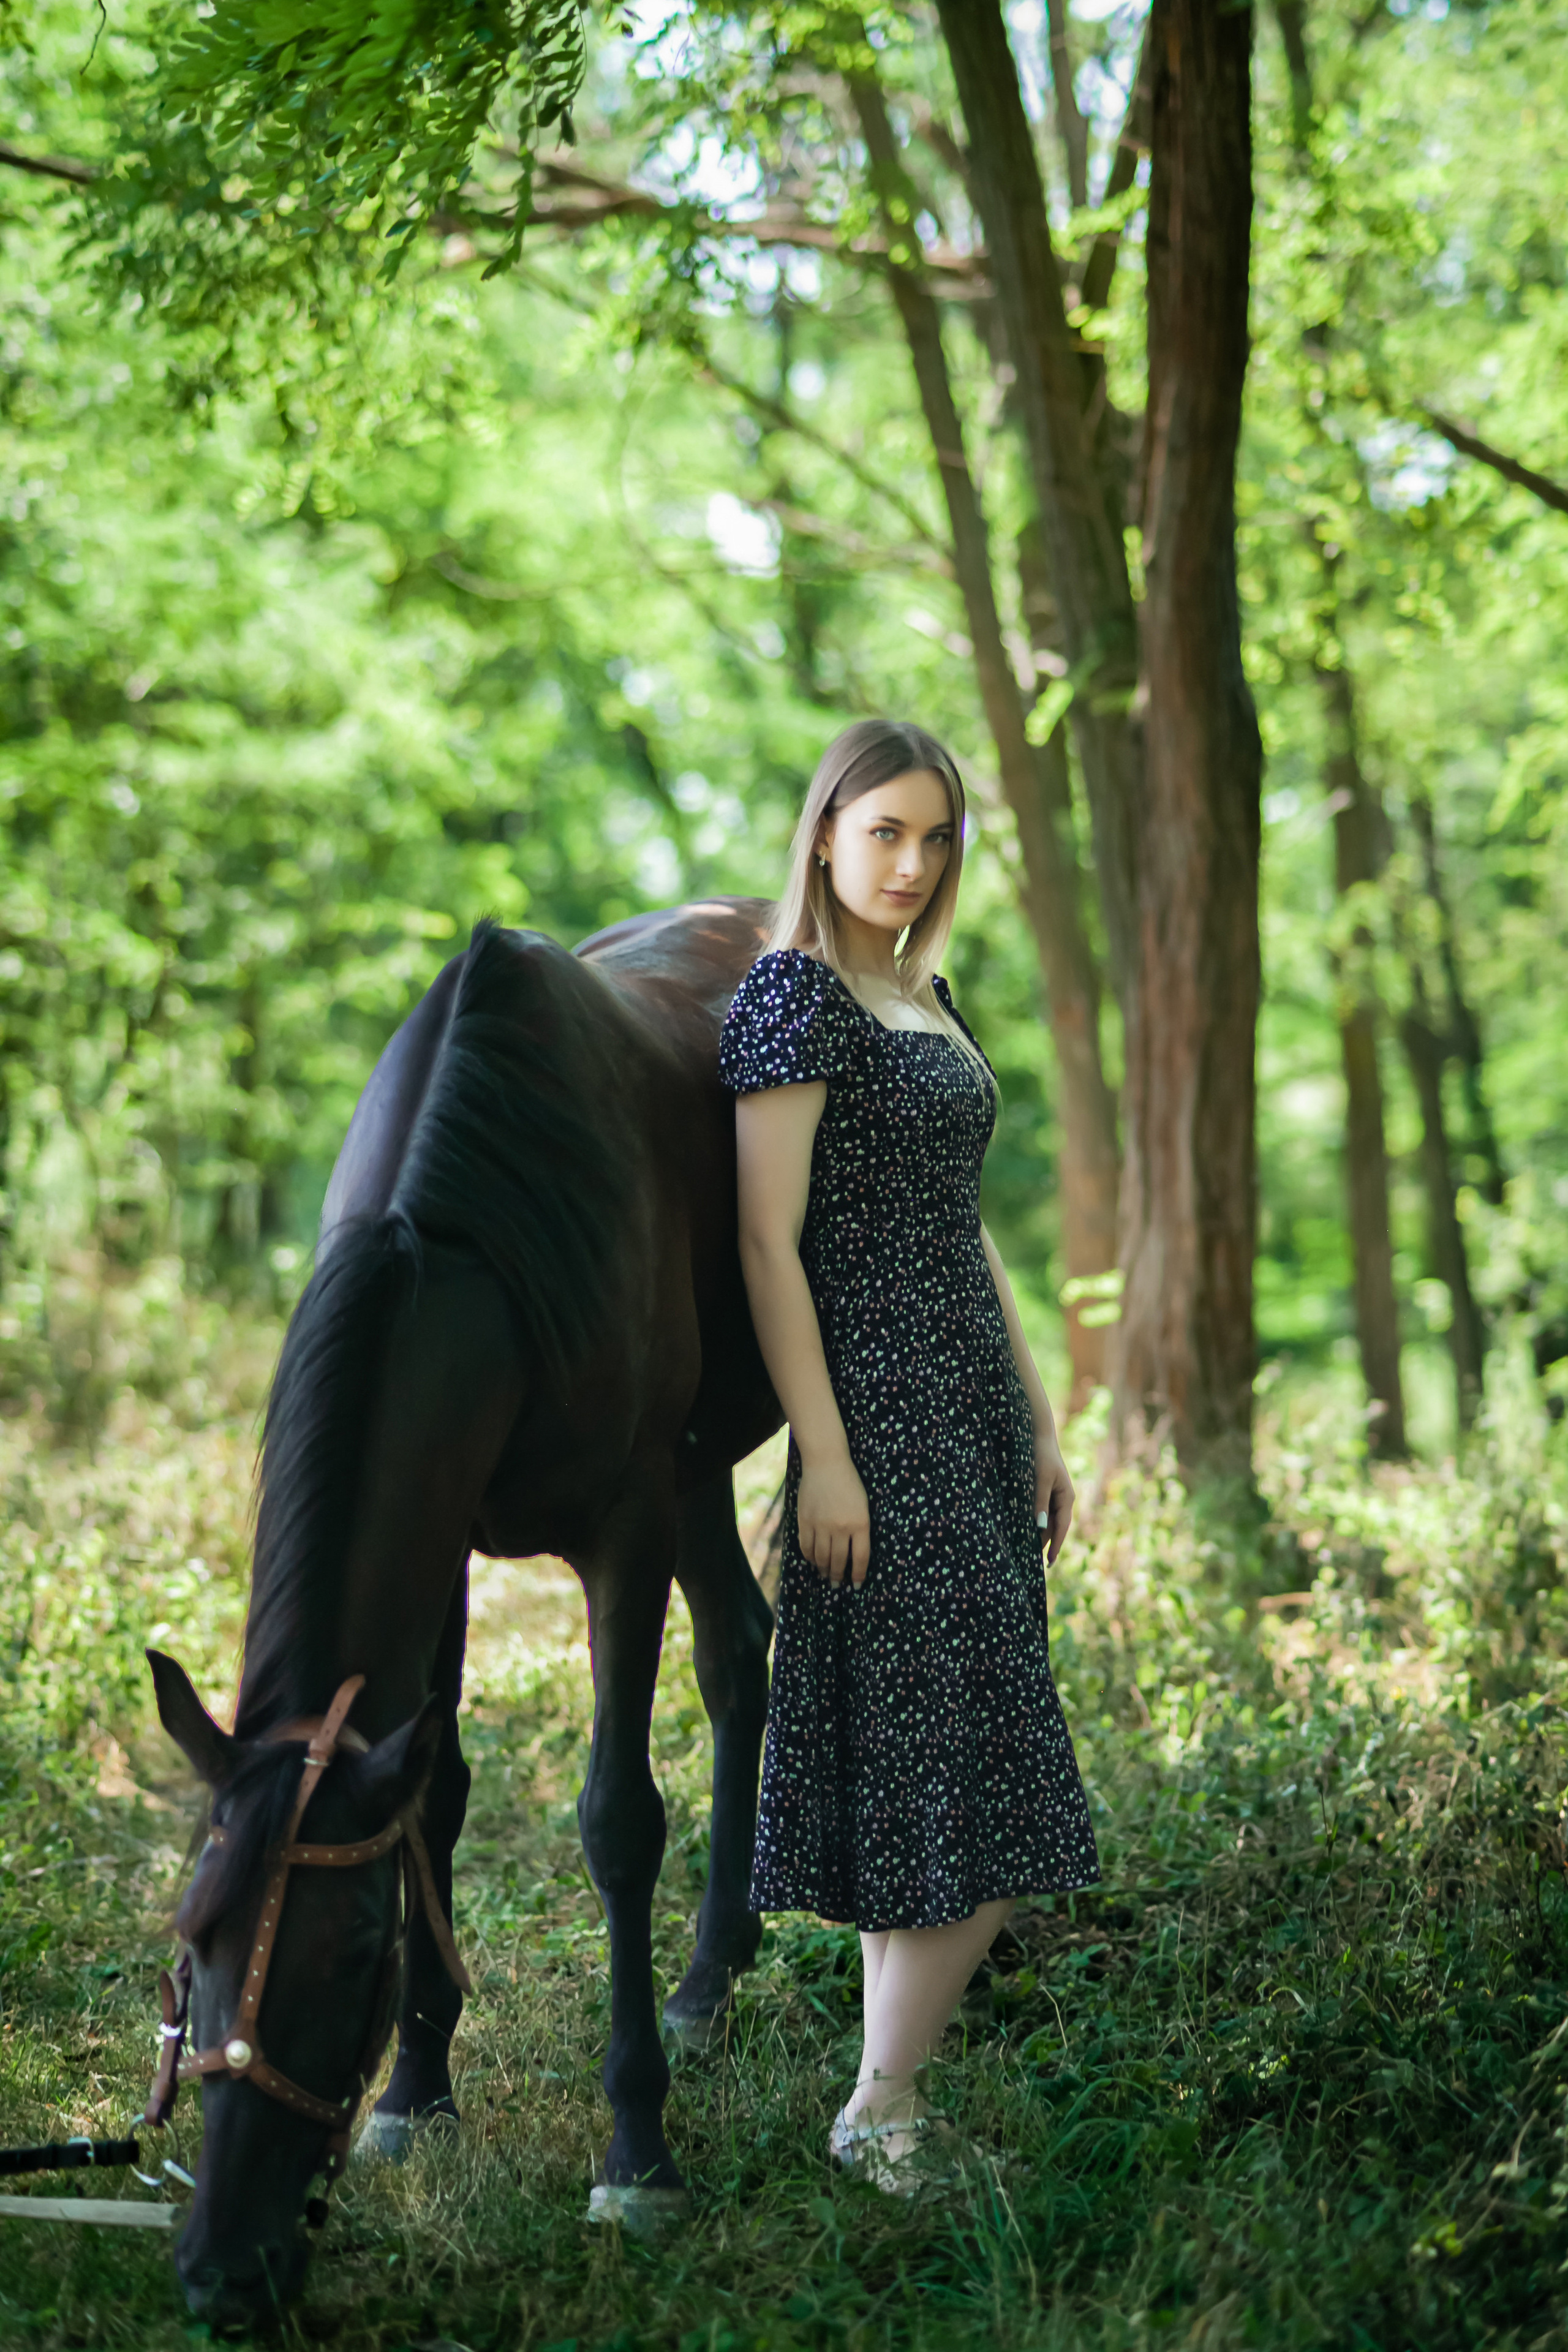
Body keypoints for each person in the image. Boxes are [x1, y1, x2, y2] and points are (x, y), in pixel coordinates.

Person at [718, 718, 1099, 2192]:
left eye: (935, 836)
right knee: (976, 1756)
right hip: (872, 1415)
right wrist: (822, 1454)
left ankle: (885, 2115)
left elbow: (965, 1223)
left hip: (974, 1414)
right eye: (883, 829)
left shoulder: (924, 995)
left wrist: (1044, 1413)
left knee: (939, 1758)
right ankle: (880, 2109)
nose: (910, 861)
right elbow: (766, 1241)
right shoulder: (793, 999)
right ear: (823, 831)